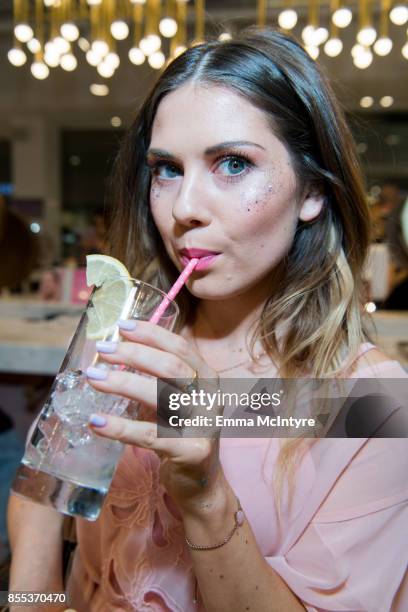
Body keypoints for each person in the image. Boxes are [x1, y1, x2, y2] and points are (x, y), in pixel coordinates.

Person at [8, 29, 408, 611]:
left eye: (232, 163)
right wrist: (44, 497)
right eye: (166, 169)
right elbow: (53, 572)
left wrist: (205, 494)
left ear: (312, 193)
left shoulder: (372, 402)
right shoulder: (123, 345)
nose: (185, 208)